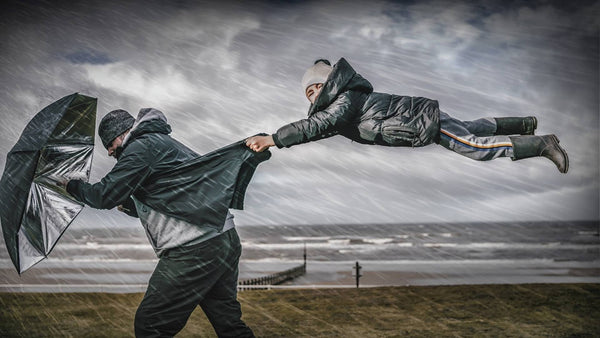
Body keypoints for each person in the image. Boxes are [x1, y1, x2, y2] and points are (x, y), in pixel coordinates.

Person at [65, 108, 260, 337]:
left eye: (109, 143)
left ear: (121, 134)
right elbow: (172, 196)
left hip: (193, 247)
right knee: (229, 324)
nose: (109, 152)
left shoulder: (142, 147)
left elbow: (103, 195)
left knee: (150, 325)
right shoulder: (159, 143)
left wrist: (70, 185)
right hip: (222, 239)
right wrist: (129, 205)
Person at [245, 58, 569, 173]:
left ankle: (541, 144)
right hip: (423, 116)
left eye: (314, 88)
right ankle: (525, 125)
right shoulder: (345, 103)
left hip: (422, 123)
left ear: (328, 83)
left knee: (477, 148)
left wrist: (274, 138)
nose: (312, 96)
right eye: (308, 93)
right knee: (471, 128)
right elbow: (322, 128)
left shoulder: (343, 101)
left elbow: (317, 125)